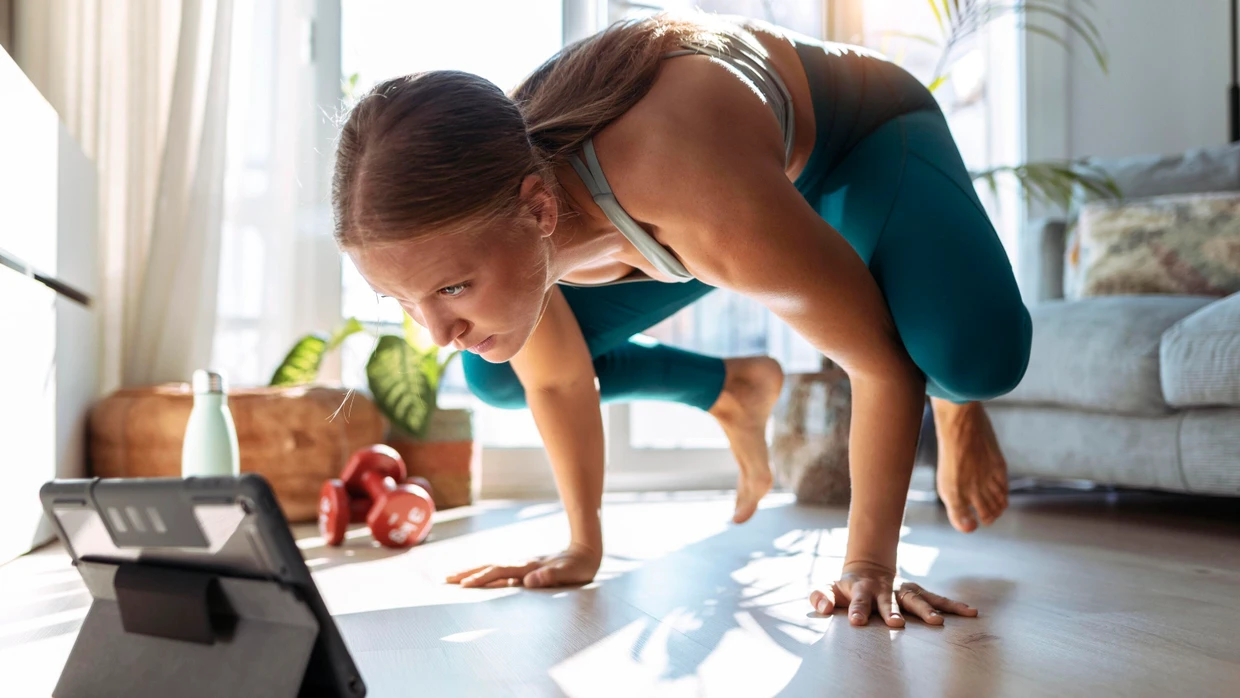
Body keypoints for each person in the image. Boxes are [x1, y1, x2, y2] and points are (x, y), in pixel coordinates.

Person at [331, 12, 1029, 628]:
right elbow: (555, 382)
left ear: (540, 210)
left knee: (968, 359)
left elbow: (877, 365)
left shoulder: (679, 176)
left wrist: (868, 566)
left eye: (452, 287)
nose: (436, 333)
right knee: (502, 375)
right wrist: (582, 546)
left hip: (856, 139)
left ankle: (955, 401)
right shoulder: (498, 198)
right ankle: (733, 387)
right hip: (704, 213)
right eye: (404, 301)